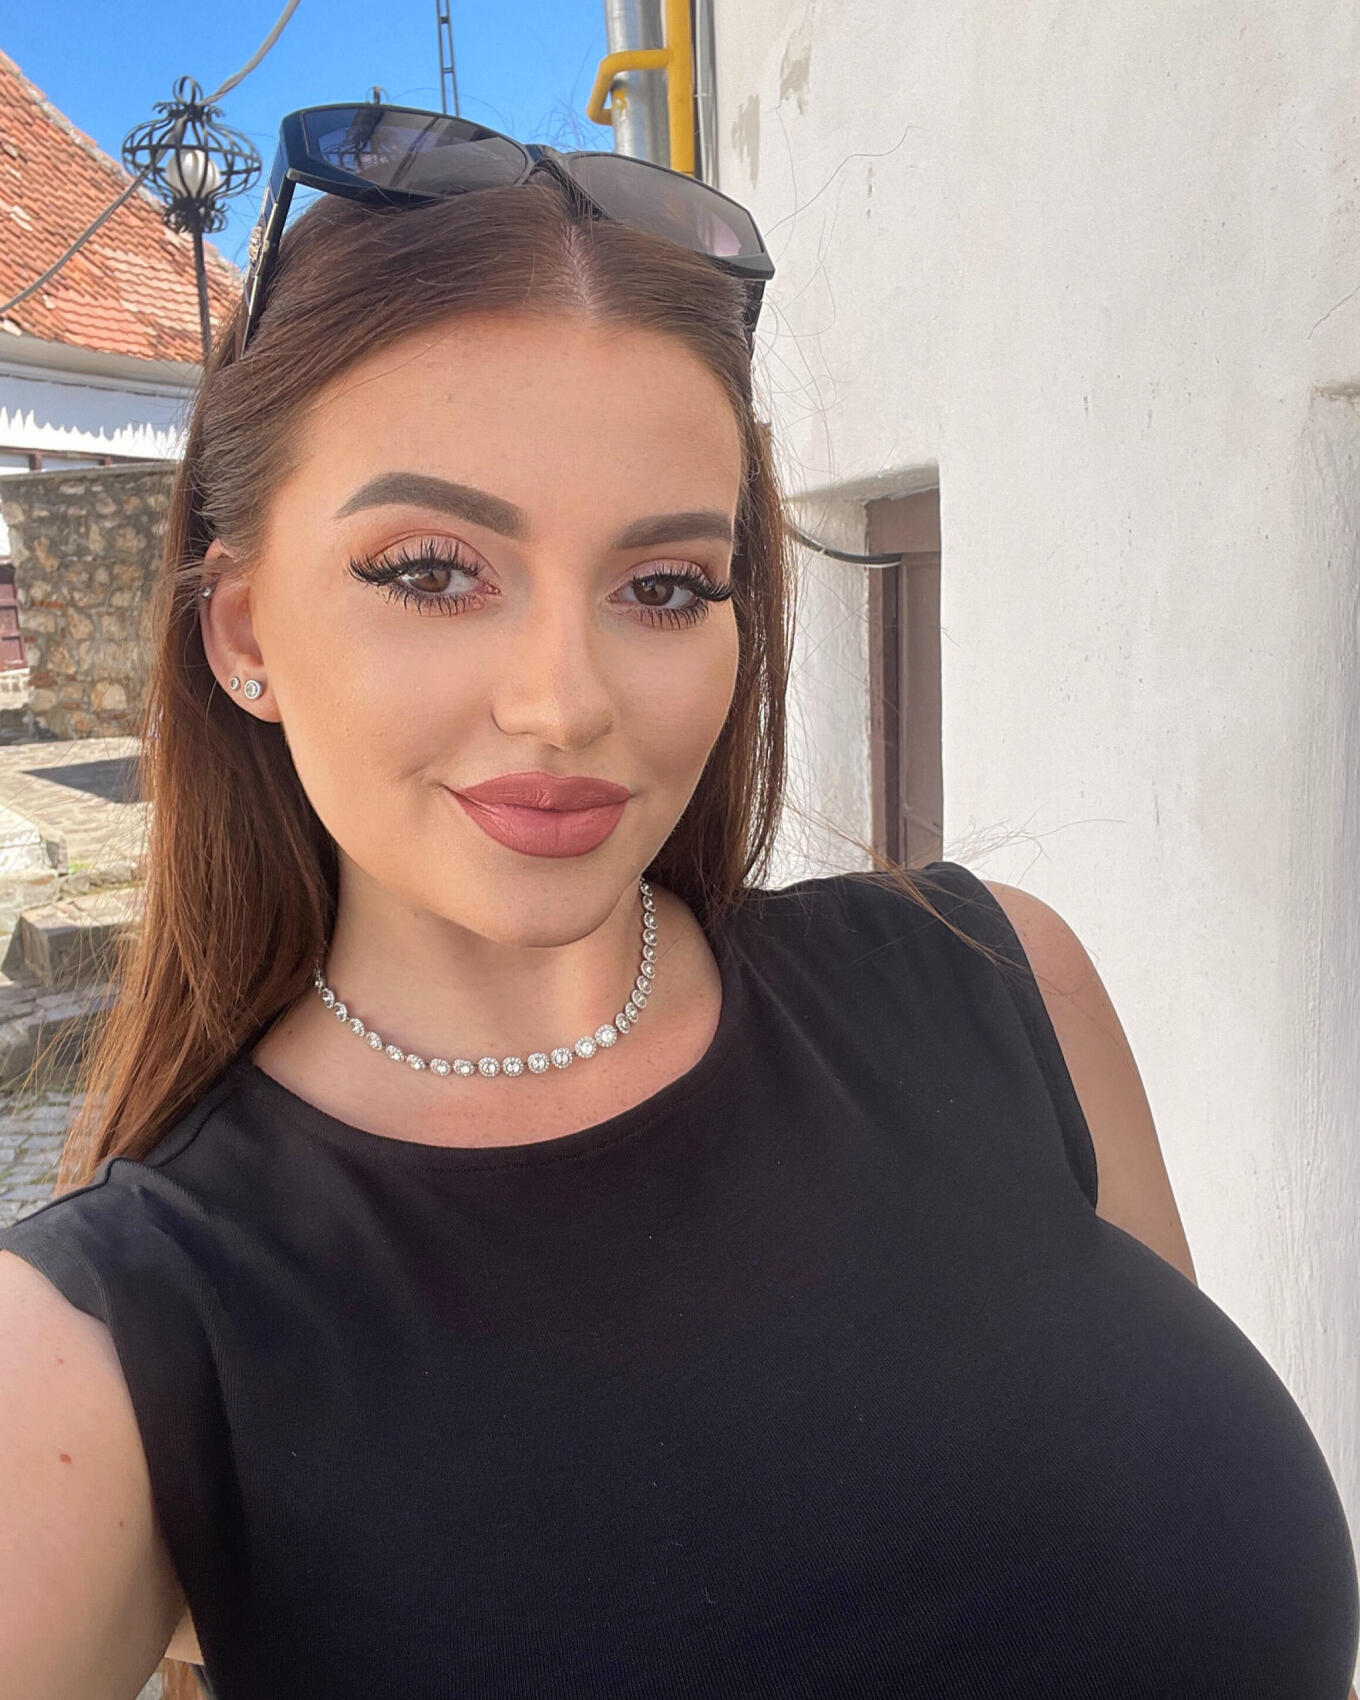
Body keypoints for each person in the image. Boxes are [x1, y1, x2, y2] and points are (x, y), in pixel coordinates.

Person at [0, 104, 1356, 1700]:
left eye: (663, 587)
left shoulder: (1000, 987)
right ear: (241, 632)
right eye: (431, 569)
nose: (565, 701)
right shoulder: (112, 1346)